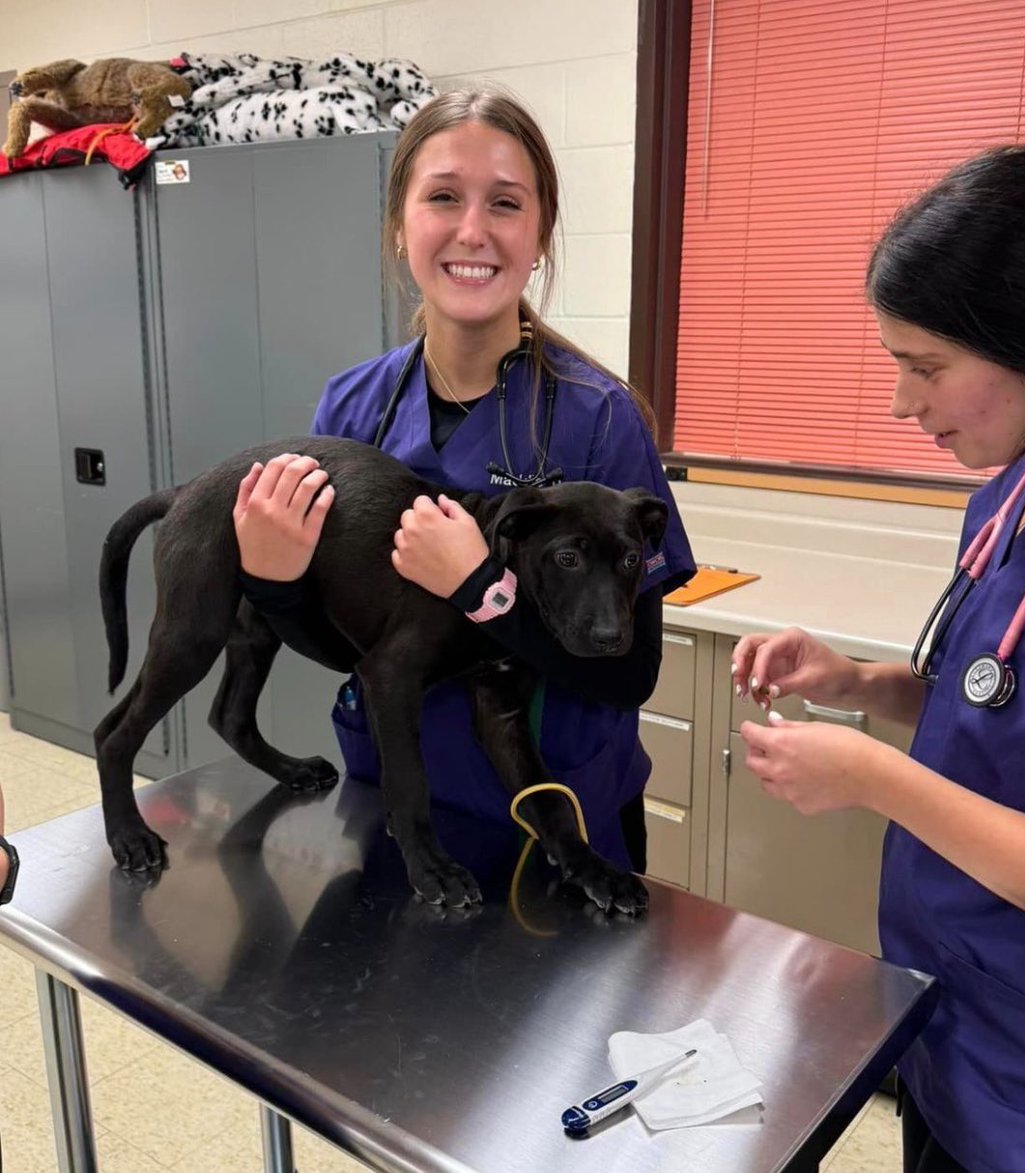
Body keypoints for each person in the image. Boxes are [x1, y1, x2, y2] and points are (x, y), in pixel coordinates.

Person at [731, 146, 1025, 1173]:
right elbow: (1005, 711)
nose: (903, 404)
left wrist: (878, 780)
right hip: (961, 1038)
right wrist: (856, 687)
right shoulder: (1015, 487)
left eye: (926, 367)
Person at [231, 87, 694, 895]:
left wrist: (484, 590)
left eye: (505, 204)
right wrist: (276, 589)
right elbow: (350, 648)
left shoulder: (599, 421)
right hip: (389, 804)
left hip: (564, 823)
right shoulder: (352, 408)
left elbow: (631, 676)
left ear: (539, 235)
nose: (472, 229)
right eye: (443, 197)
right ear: (398, 227)